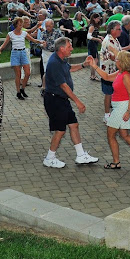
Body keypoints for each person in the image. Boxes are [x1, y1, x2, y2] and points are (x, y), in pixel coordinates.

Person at [42, 37, 98, 168]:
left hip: (61, 100)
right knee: (60, 131)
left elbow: (70, 68)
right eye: (69, 47)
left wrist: (84, 64)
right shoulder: (54, 63)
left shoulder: (61, 59)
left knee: (73, 124)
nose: (72, 49)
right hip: (54, 100)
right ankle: (49, 158)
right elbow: (63, 86)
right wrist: (78, 102)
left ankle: (80, 155)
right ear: (62, 49)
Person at [89, 50, 130, 170]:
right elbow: (106, 77)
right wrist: (94, 66)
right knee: (124, 135)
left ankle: (116, 162)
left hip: (122, 108)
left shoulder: (126, 76)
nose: (115, 60)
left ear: (122, 62)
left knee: (111, 134)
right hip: (119, 107)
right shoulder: (120, 73)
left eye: (117, 59)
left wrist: (128, 111)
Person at [0, 16, 40, 100]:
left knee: (27, 72)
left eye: (22, 24)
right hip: (15, 53)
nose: (21, 26)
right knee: (18, 74)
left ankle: (23, 89)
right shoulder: (10, 34)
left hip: (23, 52)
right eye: (20, 24)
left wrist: (41, 41)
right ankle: (18, 92)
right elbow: (4, 44)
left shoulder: (24, 33)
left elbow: (33, 40)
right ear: (16, 25)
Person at [86, 13, 103, 81]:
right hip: (92, 44)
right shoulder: (92, 26)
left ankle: (93, 74)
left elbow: (94, 34)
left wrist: (99, 36)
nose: (98, 20)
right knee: (94, 59)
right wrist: (97, 39)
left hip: (94, 43)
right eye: (97, 18)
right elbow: (89, 36)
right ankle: (93, 75)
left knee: (94, 59)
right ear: (94, 18)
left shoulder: (95, 26)